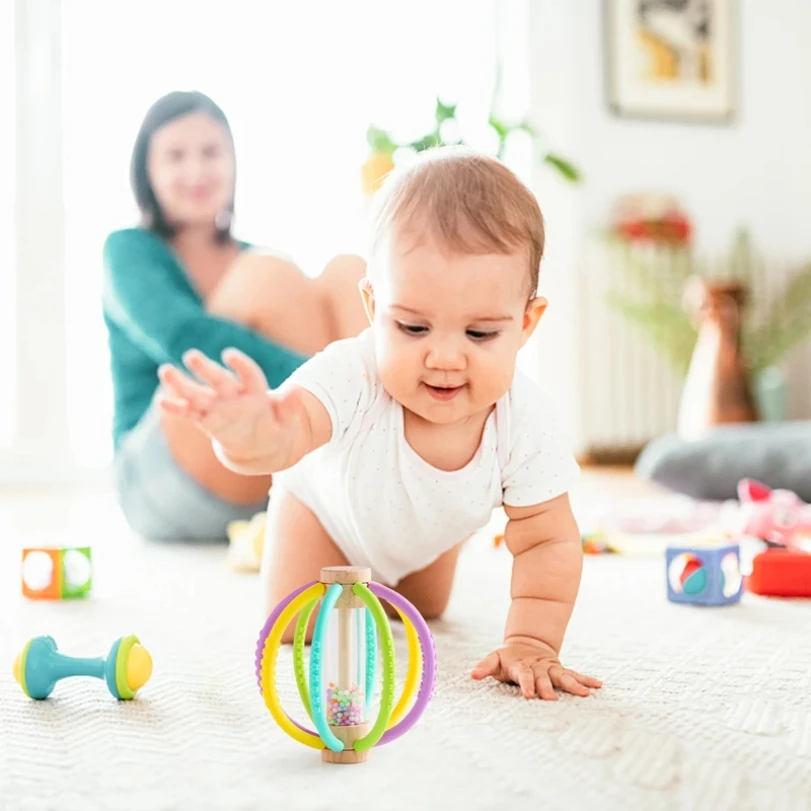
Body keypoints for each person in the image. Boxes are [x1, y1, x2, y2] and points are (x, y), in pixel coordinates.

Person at [157, 147, 602, 701]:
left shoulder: (527, 421)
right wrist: (250, 433)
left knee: (425, 611)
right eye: (413, 327)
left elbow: (546, 543)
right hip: (325, 516)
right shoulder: (353, 372)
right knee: (298, 629)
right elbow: (290, 427)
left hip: (429, 535)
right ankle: (295, 553)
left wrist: (533, 642)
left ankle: (396, 575)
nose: (444, 357)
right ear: (373, 306)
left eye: (480, 334)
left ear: (526, 323)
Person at [102, 90, 368, 542]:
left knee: (348, 272)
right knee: (270, 272)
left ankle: (371, 477)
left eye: (211, 152)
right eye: (175, 156)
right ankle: (368, 424)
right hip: (157, 478)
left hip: (260, 465)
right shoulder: (129, 249)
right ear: (147, 171)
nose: (196, 170)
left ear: (233, 162)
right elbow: (185, 336)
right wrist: (336, 392)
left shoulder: (248, 257)